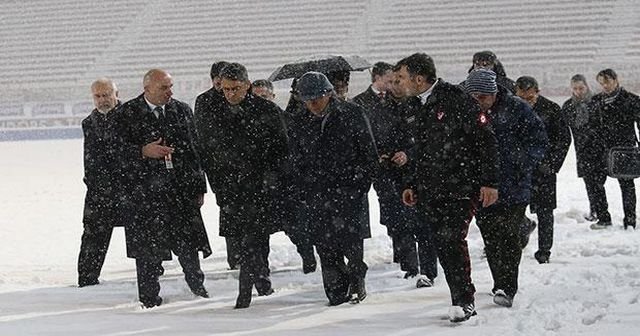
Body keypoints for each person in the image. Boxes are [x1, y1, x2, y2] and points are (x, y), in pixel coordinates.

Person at [396, 53, 499, 323]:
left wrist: (489, 181)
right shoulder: (410, 106)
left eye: (403, 77)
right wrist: (409, 182)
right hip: (429, 189)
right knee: (442, 242)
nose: (400, 83)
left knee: (451, 239)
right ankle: (460, 295)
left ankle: (464, 301)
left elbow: (485, 141)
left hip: (460, 185)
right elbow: (414, 149)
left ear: (419, 78)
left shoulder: (456, 98)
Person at [116, 69, 212, 308]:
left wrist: (199, 187)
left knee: (188, 247)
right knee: (147, 253)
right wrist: (142, 151)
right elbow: (114, 153)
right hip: (144, 197)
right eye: (164, 88)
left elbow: (194, 150)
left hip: (180, 193)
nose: (170, 92)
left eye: (171, 87)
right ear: (147, 88)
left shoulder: (181, 110)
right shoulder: (127, 113)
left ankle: (198, 289)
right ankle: (149, 298)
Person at [288, 71, 378, 306]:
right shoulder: (299, 121)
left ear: (328, 94)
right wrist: (303, 188)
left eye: (315, 99)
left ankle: (357, 280)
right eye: (306, 101)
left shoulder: (352, 113)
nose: (312, 105)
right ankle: (336, 290)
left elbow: (368, 153)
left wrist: (359, 184)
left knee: (352, 246)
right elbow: (295, 159)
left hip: (348, 192)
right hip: (316, 195)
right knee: (326, 250)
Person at [204, 63, 288, 308]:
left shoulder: (268, 111)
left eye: (235, 89)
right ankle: (261, 282)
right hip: (231, 190)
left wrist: (271, 182)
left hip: (261, 188)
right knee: (247, 241)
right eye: (226, 89)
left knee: (255, 240)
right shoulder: (216, 113)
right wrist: (219, 186)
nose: (230, 94)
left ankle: (247, 291)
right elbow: (209, 152)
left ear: (247, 86)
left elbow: (281, 150)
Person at [466, 69, 547, 308]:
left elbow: (539, 140)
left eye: (483, 97)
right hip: (482, 186)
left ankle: (507, 286)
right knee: (491, 236)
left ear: (494, 93)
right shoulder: (466, 110)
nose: (479, 102)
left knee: (510, 236)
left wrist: (521, 162)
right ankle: (498, 280)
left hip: (514, 185)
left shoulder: (517, 108)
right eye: (475, 97)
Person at [515, 76, 570, 263]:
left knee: (545, 212)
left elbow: (563, 139)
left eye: (529, 98)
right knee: (514, 209)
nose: (526, 102)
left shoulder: (551, 109)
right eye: (522, 98)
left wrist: (553, 164)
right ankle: (522, 232)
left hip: (544, 169)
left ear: (537, 92)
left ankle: (544, 250)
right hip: (519, 169)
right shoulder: (511, 109)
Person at [194, 61, 242, 270]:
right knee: (229, 211)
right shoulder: (205, 101)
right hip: (220, 168)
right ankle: (236, 257)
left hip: (242, 165)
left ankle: (249, 254)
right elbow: (204, 135)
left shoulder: (238, 96)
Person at [77, 78, 122, 287]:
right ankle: (87, 279)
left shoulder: (131, 116)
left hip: (131, 187)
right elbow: (90, 159)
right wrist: (95, 185)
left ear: (116, 94)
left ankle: (152, 273)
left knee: (145, 233)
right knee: (93, 235)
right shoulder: (89, 122)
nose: (102, 100)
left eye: (106, 95)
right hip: (99, 190)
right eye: (98, 96)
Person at [587, 69, 640, 230]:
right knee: (596, 183)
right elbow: (591, 126)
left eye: (607, 82)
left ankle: (630, 220)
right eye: (602, 83)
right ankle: (603, 218)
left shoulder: (631, 100)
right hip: (601, 149)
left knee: (626, 184)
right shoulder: (595, 101)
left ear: (616, 80)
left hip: (624, 148)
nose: (605, 86)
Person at [561, 74, 599, 221]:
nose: (578, 91)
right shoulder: (568, 106)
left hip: (598, 147)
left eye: (581, 88)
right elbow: (563, 129)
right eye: (575, 88)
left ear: (586, 86)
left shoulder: (596, 102)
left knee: (598, 182)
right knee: (589, 182)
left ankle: (601, 211)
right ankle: (595, 210)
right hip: (582, 149)